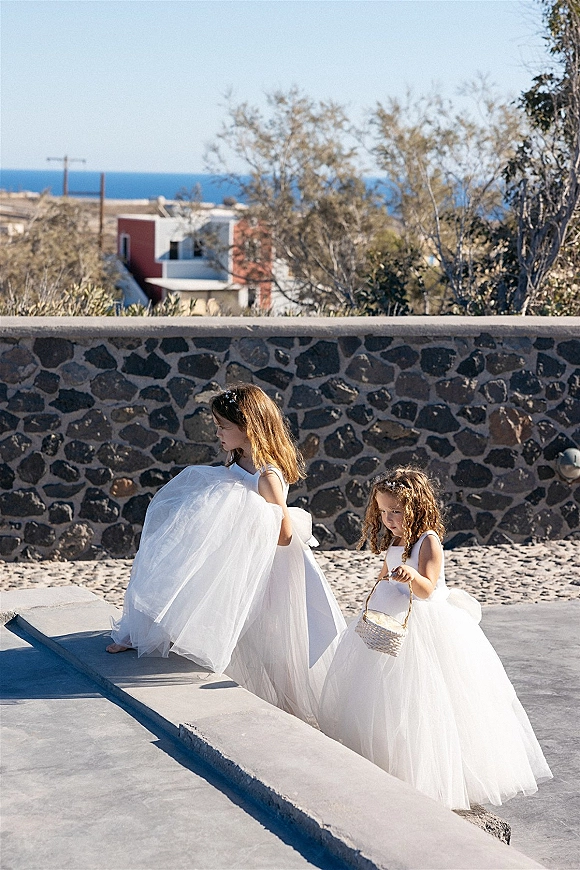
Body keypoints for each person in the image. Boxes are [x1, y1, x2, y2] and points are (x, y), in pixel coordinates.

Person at [107, 383, 346, 726]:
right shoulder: (239, 459)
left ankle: (296, 715)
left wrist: (240, 514)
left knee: (275, 644)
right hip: (244, 562)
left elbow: (284, 533)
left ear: (248, 428)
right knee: (235, 630)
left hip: (271, 569)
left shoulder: (267, 475)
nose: (217, 432)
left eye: (223, 427)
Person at [318, 467, 552, 810]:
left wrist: (410, 575)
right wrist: (381, 586)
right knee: (386, 694)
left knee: (427, 698)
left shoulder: (428, 540)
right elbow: (386, 571)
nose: (389, 519)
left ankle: (431, 772)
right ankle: (390, 759)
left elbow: (427, 589)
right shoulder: (396, 540)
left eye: (395, 511)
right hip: (393, 623)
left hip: (425, 626)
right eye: (383, 512)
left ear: (416, 508)